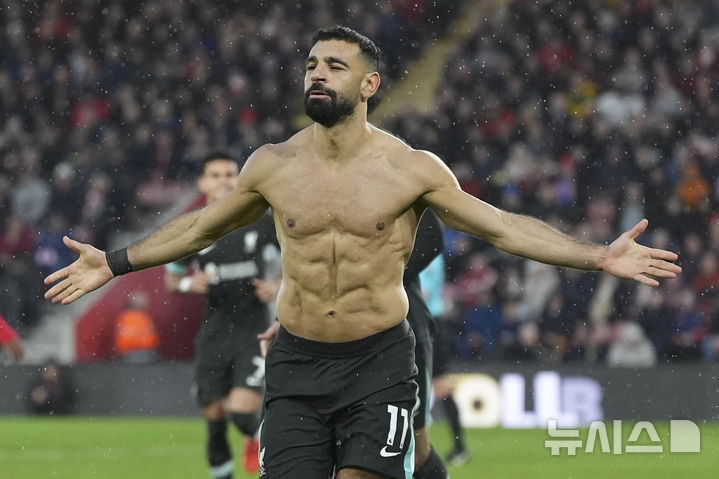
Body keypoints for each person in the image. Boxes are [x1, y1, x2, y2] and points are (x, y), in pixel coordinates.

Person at [45, 26, 681, 479]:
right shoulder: (272, 165)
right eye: (311, 65)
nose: (317, 74)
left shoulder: (411, 169)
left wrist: (598, 257)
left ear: (370, 83)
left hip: (378, 362)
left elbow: (502, 229)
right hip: (295, 362)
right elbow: (198, 230)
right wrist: (116, 262)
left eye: (334, 66)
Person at [164, 152, 280, 478]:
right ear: (202, 183)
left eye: (230, 174)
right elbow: (171, 279)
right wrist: (189, 283)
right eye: (215, 175)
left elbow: (298, 262)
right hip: (213, 335)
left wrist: (276, 285)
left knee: (242, 412)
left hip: (253, 332)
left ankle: (257, 438)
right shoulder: (193, 227)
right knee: (215, 423)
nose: (224, 181)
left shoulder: (261, 219)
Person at [404, 210, 448, 478]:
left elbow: (432, 237)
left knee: (418, 449)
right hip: (343, 336)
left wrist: (381, 280)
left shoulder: (398, 188)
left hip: (409, 329)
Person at [418, 252, 470, 467]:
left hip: (430, 325)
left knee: (441, 386)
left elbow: (422, 293)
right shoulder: (419, 252)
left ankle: (460, 447)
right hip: (417, 324)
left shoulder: (429, 255)